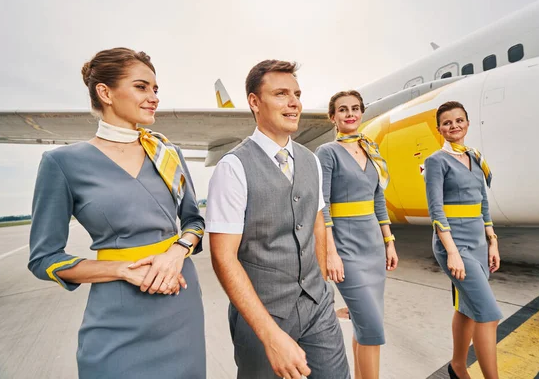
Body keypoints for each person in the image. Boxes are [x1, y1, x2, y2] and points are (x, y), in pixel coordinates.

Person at [28, 47, 206, 378]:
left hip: (179, 299)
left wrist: (177, 252)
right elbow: (44, 259)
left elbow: (194, 222)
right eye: (142, 87)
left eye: (155, 89)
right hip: (117, 309)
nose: (153, 97)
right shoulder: (62, 164)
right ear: (105, 92)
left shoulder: (168, 155)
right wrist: (123, 270)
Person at [207, 59, 350, 379]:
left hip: (318, 307)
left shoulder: (311, 160)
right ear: (254, 102)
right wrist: (269, 335)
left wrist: (323, 290)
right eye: (281, 93)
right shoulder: (233, 168)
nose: (294, 102)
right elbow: (223, 257)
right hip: (263, 314)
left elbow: (316, 223)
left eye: (297, 94)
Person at [315, 90, 399, 379]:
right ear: (333, 117)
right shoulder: (327, 153)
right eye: (342, 109)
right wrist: (330, 252)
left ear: (361, 113)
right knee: (373, 329)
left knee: (364, 326)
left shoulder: (371, 150)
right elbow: (321, 205)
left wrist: (389, 242)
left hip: (373, 246)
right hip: (346, 249)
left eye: (354, 108)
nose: (349, 113)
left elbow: (378, 201)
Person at [424, 101, 501, 379]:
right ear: (439, 129)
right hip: (454, 245)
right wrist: (452, 252)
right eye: (447, 122)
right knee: (488, 315)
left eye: (459, 120)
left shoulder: (476, 158)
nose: (453, 125)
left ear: (467, 123)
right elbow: (436, 209)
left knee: (467, 308)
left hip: (479, 244)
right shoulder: (435, 161)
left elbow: (483, 204)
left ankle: (457, 366)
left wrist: (492, 240)